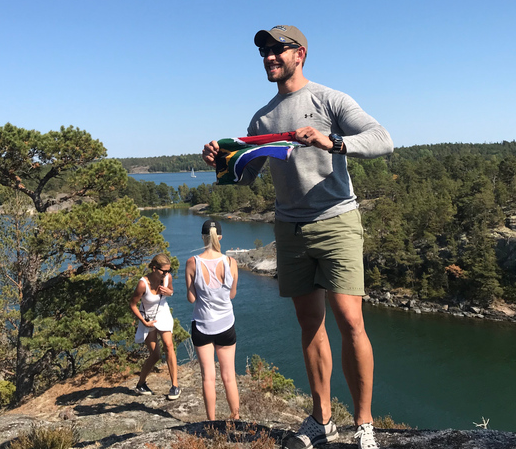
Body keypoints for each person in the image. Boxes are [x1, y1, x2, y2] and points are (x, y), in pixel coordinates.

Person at [202, 25, 393, 449]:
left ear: (299, 54)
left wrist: (333, 141)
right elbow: (243, 176)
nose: (269, 57)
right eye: (264, 52)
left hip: (336, 221)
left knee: (352, 322)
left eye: (276, 50)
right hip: (289, 229)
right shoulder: (263, 117)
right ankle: (321, 418)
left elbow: (382, 140)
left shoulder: (329, 99)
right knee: (310, 325)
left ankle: (364, 425)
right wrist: (220, 159)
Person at [184, 219, 240, 420]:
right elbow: (231, 295)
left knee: (208, 377)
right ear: (220, 237)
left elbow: (191, 298)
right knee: (229, 376)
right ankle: (235, 417)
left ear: (202, 237)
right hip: (226, 324)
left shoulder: (193, 262)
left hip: (202, 324)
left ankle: (212, 422)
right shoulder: (231, 262)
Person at [129, 253, 180, 400]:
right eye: (164, 271)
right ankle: (141, 384)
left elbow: (170, 291)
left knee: (169, 346)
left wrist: (169, 292)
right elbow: (132, 304)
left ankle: (175, 386)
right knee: (155, 355)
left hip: (163, 313)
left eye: (168, 271)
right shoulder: (143, 283)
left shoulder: (167, 278)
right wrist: (143, 321)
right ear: (154, 268)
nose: (167, 273)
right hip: (148, 318)